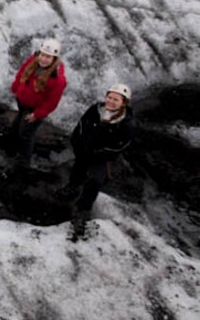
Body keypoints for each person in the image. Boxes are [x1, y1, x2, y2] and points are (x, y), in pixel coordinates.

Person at [59, 83, 135, 240]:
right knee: (78, 169)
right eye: (110, 97)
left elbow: (119, 147)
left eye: (116, 99)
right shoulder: (95, 109)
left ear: (124, 103)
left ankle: (83, 211)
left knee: (94, 180)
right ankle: (72, 186)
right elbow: (80, 125)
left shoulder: (126, 123)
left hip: (101, 158)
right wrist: (76, 143)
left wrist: (97, 155)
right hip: (84, 150)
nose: (111, 101)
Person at [8, 37, 67, 172]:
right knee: (16, 127)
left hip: (34, 110)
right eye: (43, 55)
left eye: (48, 57)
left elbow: (52, 102)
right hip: (23, 103)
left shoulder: (58, 80)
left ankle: (23, 163)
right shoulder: (33, 61)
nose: (44, 59)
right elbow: (22, 72)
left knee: (26, 135)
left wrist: (37, 114)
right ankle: (12, 150)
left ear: (54, 59)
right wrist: (15, 87)